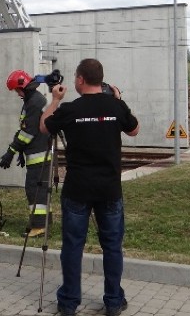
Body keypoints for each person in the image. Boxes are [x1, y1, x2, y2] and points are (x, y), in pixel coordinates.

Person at [39, 58, 140, 316]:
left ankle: (69, 302)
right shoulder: (115, 106)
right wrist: (119, 100)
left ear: (81, 79)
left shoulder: (70, 109)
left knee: (73, 246)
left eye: (75, 77)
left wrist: (55, 100)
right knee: (112, 246)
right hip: (109, 190)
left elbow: (43, 126)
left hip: (77, 190)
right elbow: (134, 130)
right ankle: (114, 301)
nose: (73, 81)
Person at [0, 70, 51, 237]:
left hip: (39, 154)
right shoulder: (32, 100)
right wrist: (20, 150)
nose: (17, 94)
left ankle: (39, 226)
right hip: (37, 151)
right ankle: (42, 222)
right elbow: (25, 128)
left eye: (17, 90)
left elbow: (27, 134)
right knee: (38, 188)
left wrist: (11, 151)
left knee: (35, 189)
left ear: (23, 87)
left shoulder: (34, 102)